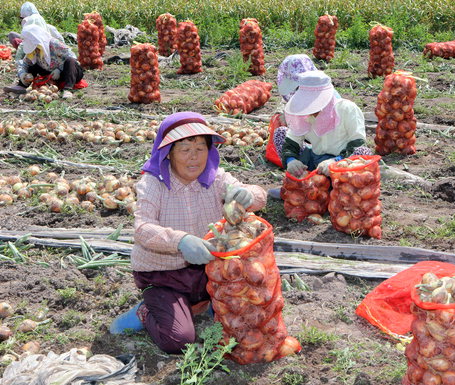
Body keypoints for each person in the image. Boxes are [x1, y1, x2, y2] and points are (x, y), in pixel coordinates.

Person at [109, 112, 267, 354]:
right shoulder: (153, 184)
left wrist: (249, 195)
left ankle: (200, 303)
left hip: (209, 271)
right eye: (184, 149)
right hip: (163, 276)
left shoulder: (217, 179)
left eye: (200, 148)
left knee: (245, 317)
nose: (194, 157)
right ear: (168, 152)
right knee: (179, 340)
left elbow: (258, 195)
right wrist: (180, 241)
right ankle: (146, 310)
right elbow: (142, 229)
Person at [281, 70, 371, 179]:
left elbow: (358, 143)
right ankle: (300, 183)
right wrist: (291, 160)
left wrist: (336, 161)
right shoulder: (302, 114)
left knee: (363, 151)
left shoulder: (347, 109)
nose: (309, 107)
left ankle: (334, 186)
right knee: (281, 133)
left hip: (343, 163)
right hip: (314, 161)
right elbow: (292, 140)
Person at [3, 24, 83, 98]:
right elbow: (25, 63)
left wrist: (59, 69)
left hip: (68, 73)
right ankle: (21, 85)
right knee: (32, 65)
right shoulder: (34, 49)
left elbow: (72, 55)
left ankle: (68, 90)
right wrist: (22, 74)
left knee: (70, 61)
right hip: (50, 74)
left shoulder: (54, 43)